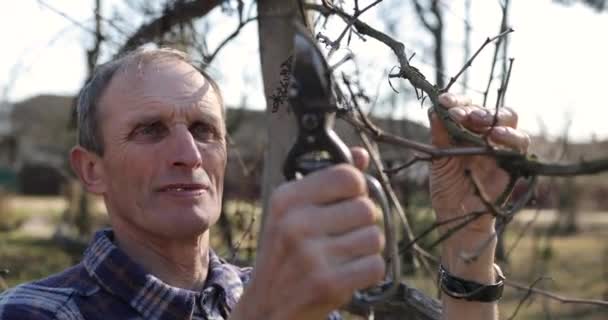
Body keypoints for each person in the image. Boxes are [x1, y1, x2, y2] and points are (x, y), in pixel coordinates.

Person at [0, 47, 529, 320]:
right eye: (149, 130)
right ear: (91, 169)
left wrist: (468, 238)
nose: (188, 155)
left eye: (205, 130)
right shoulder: (35, 313)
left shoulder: (285, 295)